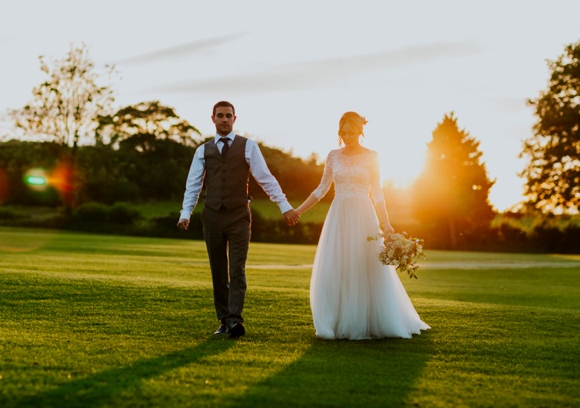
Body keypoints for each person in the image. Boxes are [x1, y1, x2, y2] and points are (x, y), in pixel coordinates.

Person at [295, 111, 430, 340]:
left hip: (364, 215)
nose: (347, 136)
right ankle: (335, 320)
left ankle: (365, 319)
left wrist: (386, 223)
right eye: (343, 132)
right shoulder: (333, 156)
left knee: (364, 265)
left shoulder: (372, 156)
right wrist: (298, 211)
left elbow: (377, 193)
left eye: (352, 132)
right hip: (339, 215)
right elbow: (321, 189)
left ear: (360, 131)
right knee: (337, 265)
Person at [178, 101, 299, 339]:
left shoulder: (248, 147)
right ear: (212, 119)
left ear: (235, 118)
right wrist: (185, 213)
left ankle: (235, 320)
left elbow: (266, 179)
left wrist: (284, 205)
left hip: (239, 215)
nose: (225, 119)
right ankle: (224, 320)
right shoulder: (203, 150)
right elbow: (193, 184)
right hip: (212, 215)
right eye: (220, 116)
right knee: (218, 270)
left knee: (237, 268)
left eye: (229, 116)